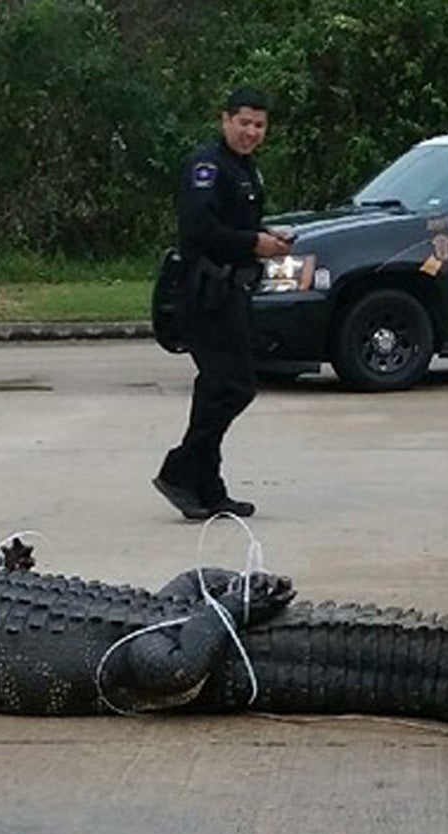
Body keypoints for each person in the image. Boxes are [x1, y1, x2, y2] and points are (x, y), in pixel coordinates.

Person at [153, 87, 293, 521]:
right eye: (244, 123)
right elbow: (199, 230)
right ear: (225, 120)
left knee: (218, 386)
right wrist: (256, 243)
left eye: (259, 125)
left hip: (231, 290)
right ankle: (180, 470)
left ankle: (207, 487)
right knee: (233, 386)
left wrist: (268, 236)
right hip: (203, 292)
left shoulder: (244, 169)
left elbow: (235, 223)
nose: (251, 132)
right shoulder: (207, 166)